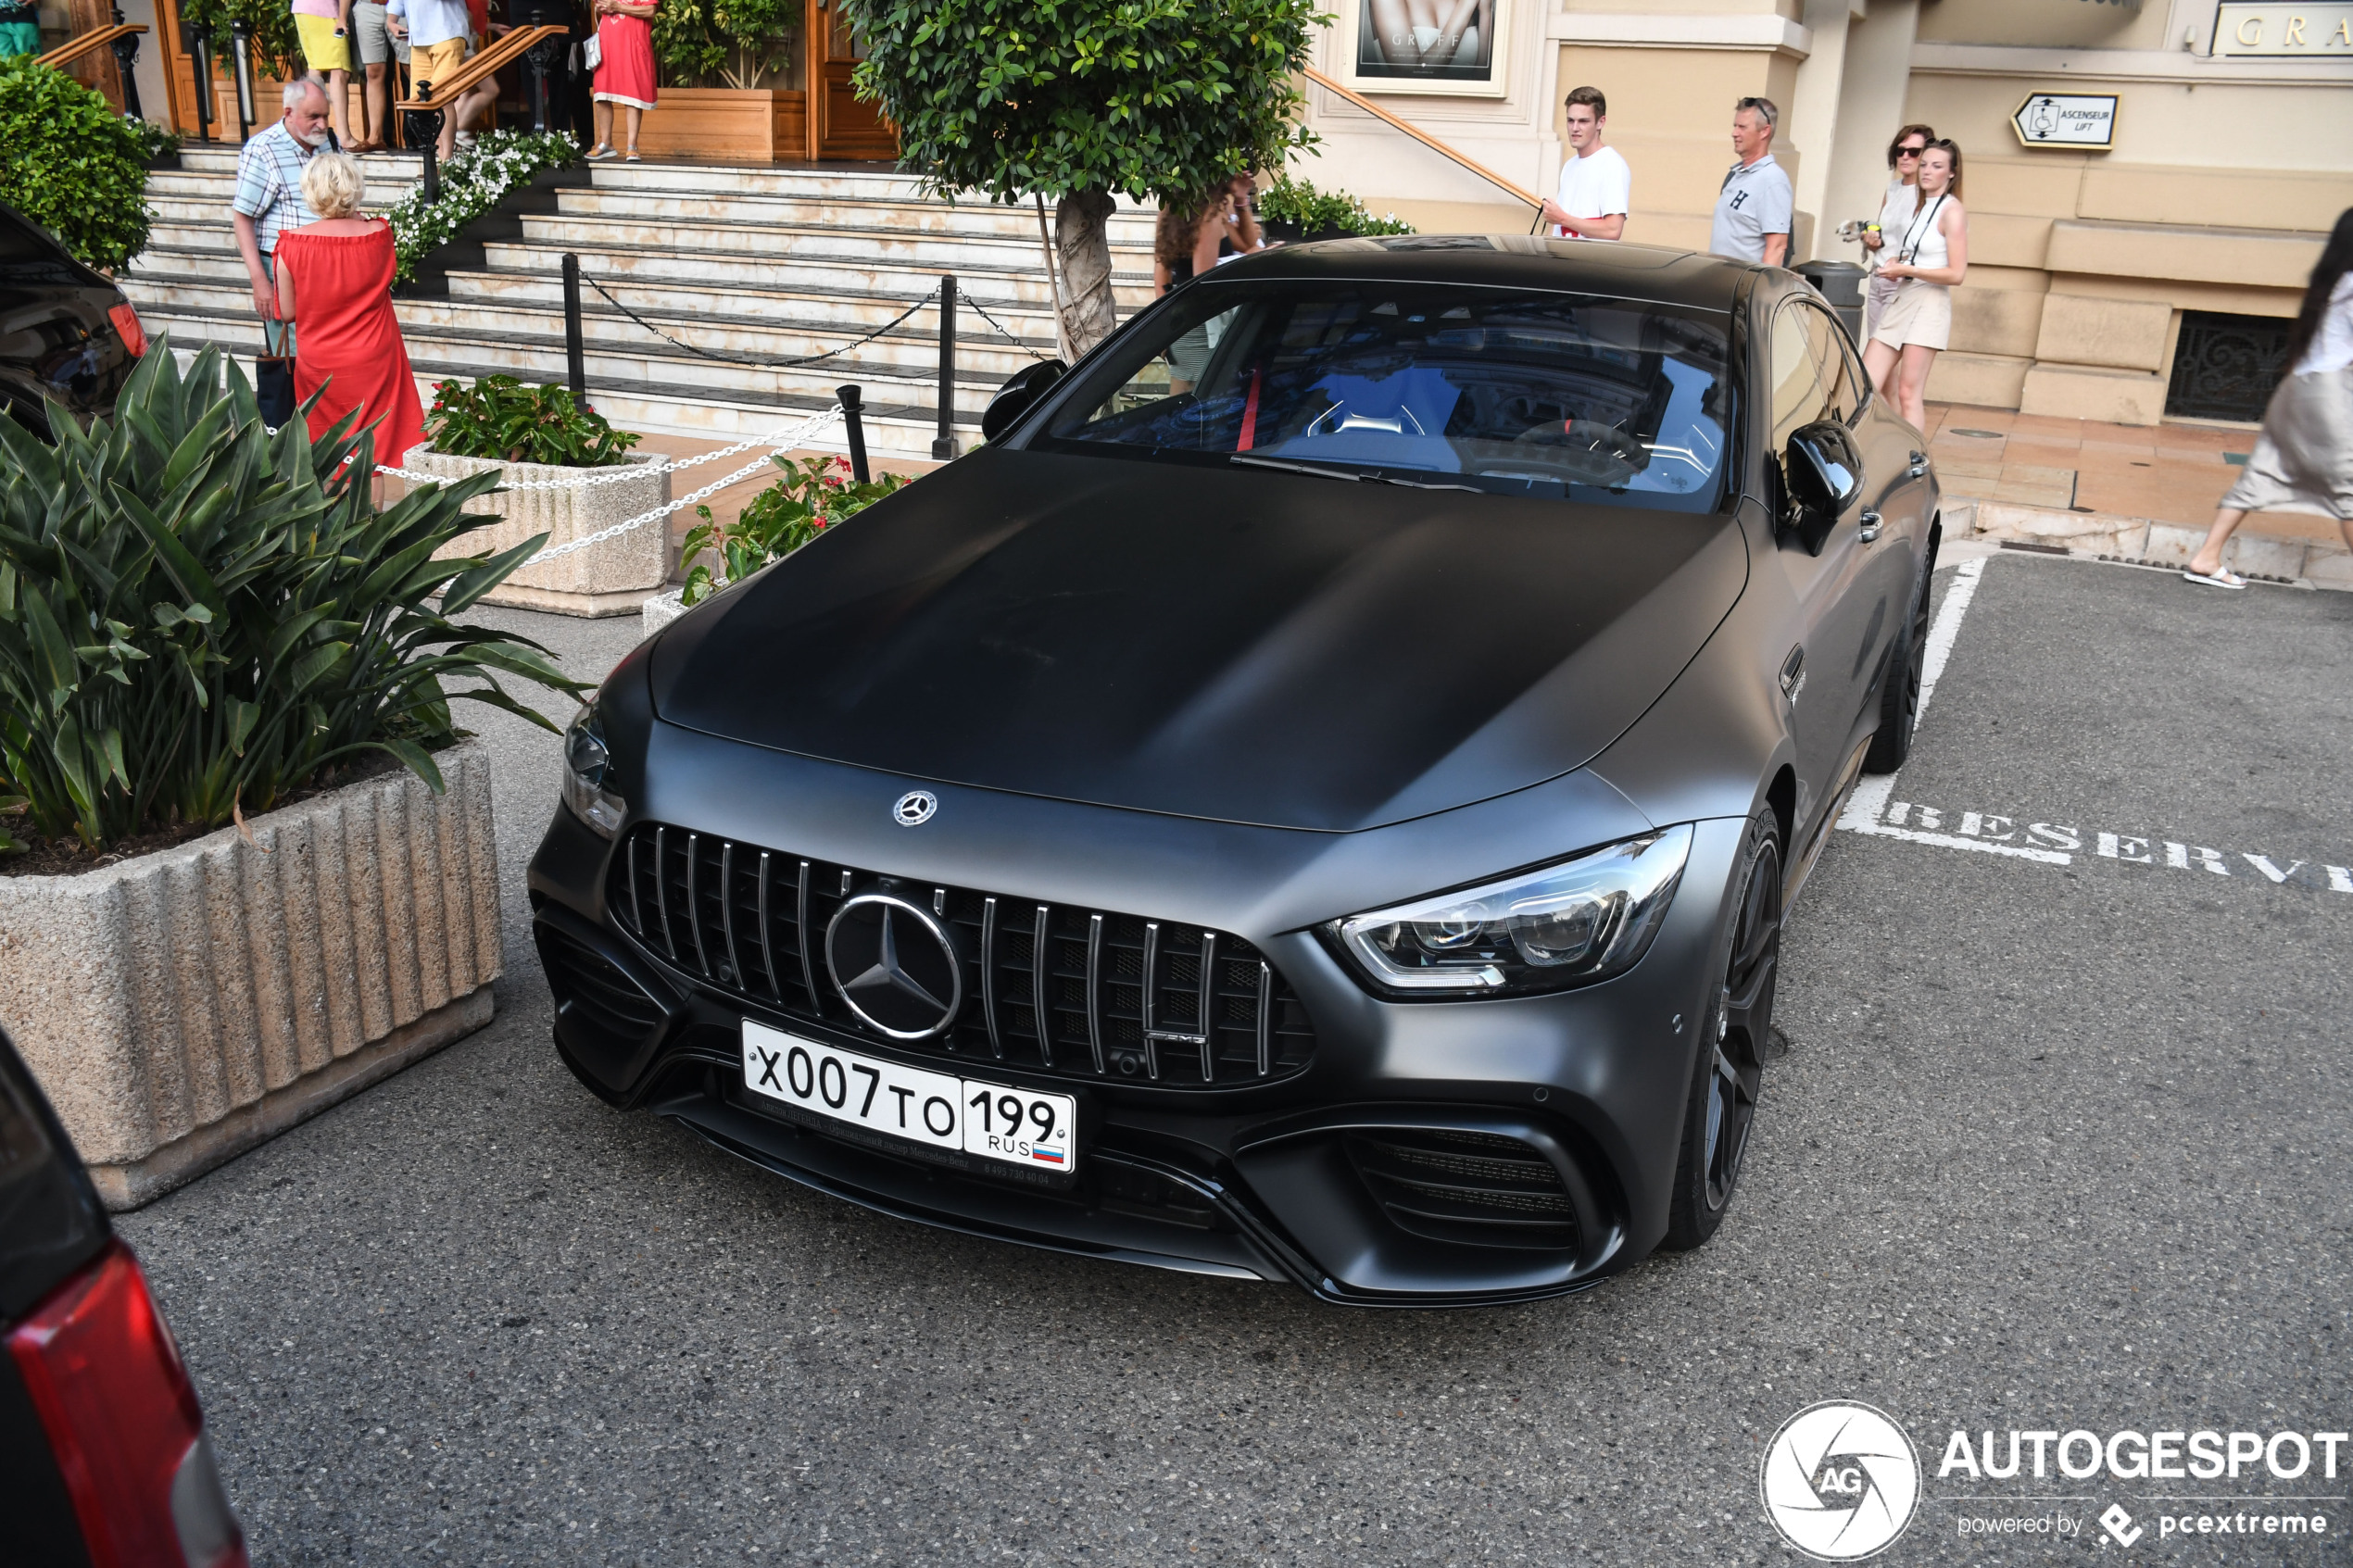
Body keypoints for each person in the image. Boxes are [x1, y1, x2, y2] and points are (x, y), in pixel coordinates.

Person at [2183, 207, 2353, 589]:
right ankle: (2206, 557)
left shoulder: (2329, 282)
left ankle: (2207, 557)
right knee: (2350, 488)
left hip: (2297, 390)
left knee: (2263, 470)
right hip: (2330, 394)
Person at [271, 153, 427, 470]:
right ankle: (369, 519)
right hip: (373, 357)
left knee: (327, 450)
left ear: (310, 191)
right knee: (373, 454)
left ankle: (334, 518)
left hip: (320, 361)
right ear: (354, 187)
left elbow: (286, 313)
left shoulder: (290, 245)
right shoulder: (379, 235)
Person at [1863, 137, 1967, 432]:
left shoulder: (1952, 211)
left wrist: (1908, 269)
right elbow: (1918, 254)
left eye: (1936, 166)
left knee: (1909, 393)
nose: (1926, 171)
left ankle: (1915, 467)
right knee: (1864, 380)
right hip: (1903, 296)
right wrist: (1896, 263)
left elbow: (1957, 273)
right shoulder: (1921, 207)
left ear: (1951, 173)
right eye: (1924, 164)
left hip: (1929, 303)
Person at [232, 79, 332, 325]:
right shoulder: (263, 149)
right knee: (293, 355)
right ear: (289, 113)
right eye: (314, 116)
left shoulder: (326, 141)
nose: (323, 124)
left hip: (325, 265)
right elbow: (243, 217)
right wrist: (259, 282)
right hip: (284, 269)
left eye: (326, 116)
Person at [385, 0, 494, 160]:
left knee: (441, 97)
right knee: (420, 103)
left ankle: (446, 160)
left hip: (447, 33)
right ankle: (436, 159)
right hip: (418, 38)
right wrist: (391, 21)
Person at [1152, 188, 1234, 393]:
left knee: (1182, 401)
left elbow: (1162, 270)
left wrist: (1166, 325)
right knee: (1207, 400)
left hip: (1180, 315)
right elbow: (1202, 279)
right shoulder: (1209, 215)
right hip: (1203, 322)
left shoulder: (1169, 208)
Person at [1860, 122, 1933, 340]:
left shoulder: (1927, 193)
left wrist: (1903, 264)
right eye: (1901, 151)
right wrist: (1871, 239)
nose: (1905, 157)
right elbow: (1884, 234)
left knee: (1883, 350)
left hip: (1901, 282)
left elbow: (1926, 242)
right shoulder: (1893, 188)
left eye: (1914, 152)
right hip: (1878, 276)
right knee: (1875, 345)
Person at [1710, 96, 1792, 269]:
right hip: (1719, 284)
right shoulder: (1735, 175)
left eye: (1742, 127)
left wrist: (1761, 293)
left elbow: (1777, 248)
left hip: (1744, 290)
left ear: (1764, 131)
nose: (1734, 133)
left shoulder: (1772, 180)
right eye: (1734, 126)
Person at [1540, 85, 1629, 242]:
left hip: (1589, 263)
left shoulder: (1612, 165)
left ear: (1601, 123)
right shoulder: (1569, 166)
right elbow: (1557, 227)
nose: (1575, 128)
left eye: (1583, 121)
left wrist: (1562, 218)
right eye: (1570, 121)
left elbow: (1613, 230)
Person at [587, 0, 658, 161]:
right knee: (601, 91)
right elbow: (600, 11)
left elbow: (650, 11)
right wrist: (603, 8)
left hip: (633, 43)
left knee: (632, 93)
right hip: (607, 43)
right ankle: (606, 143)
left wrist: (618, 7)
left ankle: (632, 146)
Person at [290, 0, 357, 147]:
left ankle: (311, 133)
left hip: (302, 9)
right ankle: (344, 136)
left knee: (315, 70)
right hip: (326, 11)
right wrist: (342, 18)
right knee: (339, 71)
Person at [349, 0, 410, 151]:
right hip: (368, 6)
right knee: (373, 71)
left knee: (412, 67)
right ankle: (375, 137)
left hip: (403, 5)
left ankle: (422, 133)